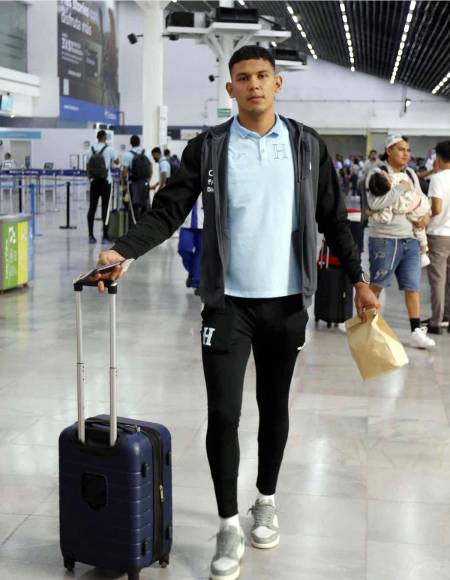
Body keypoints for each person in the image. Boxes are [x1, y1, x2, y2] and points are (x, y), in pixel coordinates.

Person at [93, 45, 378, 580]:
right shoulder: (210, 146)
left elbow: (334, 219)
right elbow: (169, 210)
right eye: (243, 78)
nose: (254, 85)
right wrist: (124, 250)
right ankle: (228, 521)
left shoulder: (305, 145)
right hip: (228, 305)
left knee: (274, 409)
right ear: (230, 89)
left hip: (288, 304)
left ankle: (264, 499)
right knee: (223, 415)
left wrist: (359, 279)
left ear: (278, 85)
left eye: (263, 77)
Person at [366, 135, 435, 349]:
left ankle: (415, 330)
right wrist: (399, 189)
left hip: (410, 239)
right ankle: (367, 326)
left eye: (408, 149)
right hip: (385, 239)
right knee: (377, 284)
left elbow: (420, 200)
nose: (406, 154)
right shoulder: (377, 173)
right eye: (401, 149)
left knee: (412, 286)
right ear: (389, 151)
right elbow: (375, 202)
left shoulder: (411, 174)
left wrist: (427, 216)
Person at [368, 170, 431, 267]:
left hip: (415, 211)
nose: (385, 172)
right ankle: (424, 251)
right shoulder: (398, 179)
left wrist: (373, 214)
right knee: (419, 228)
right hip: (422, 202)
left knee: (419, 230)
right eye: (385, 174)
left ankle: (424, 251)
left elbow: (385, 218)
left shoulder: (388, 202)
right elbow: (374, 203)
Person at [426, 140, 450, 334]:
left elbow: (436, 208)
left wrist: (424, 217)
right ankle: (447, 318)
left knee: (438, 279)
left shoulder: (438, 178)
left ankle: (436, 321)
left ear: (439, 157)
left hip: (439, 235)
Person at [86, 130, 119, 244]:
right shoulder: (109, 149)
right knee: (105, 209)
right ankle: (105, 237)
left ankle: (91, 236)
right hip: (106, 182)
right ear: (105, 138)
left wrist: (90, 178)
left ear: (97, 138)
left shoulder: (90, 150)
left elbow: (87, 167)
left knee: (92, 208)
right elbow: (117, 161)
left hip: (94, 182)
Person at [120, 135, 152, 224]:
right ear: (139, 142)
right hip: (145, 183)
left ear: (130, 143)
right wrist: (148, 180)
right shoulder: (147, 153)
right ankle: (143, 227)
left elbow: (124, 172)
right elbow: (150, 168)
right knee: (145, 204)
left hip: (133, 183)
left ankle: (133, 226)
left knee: (133, 206)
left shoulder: (127, 155)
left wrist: (123, 185)